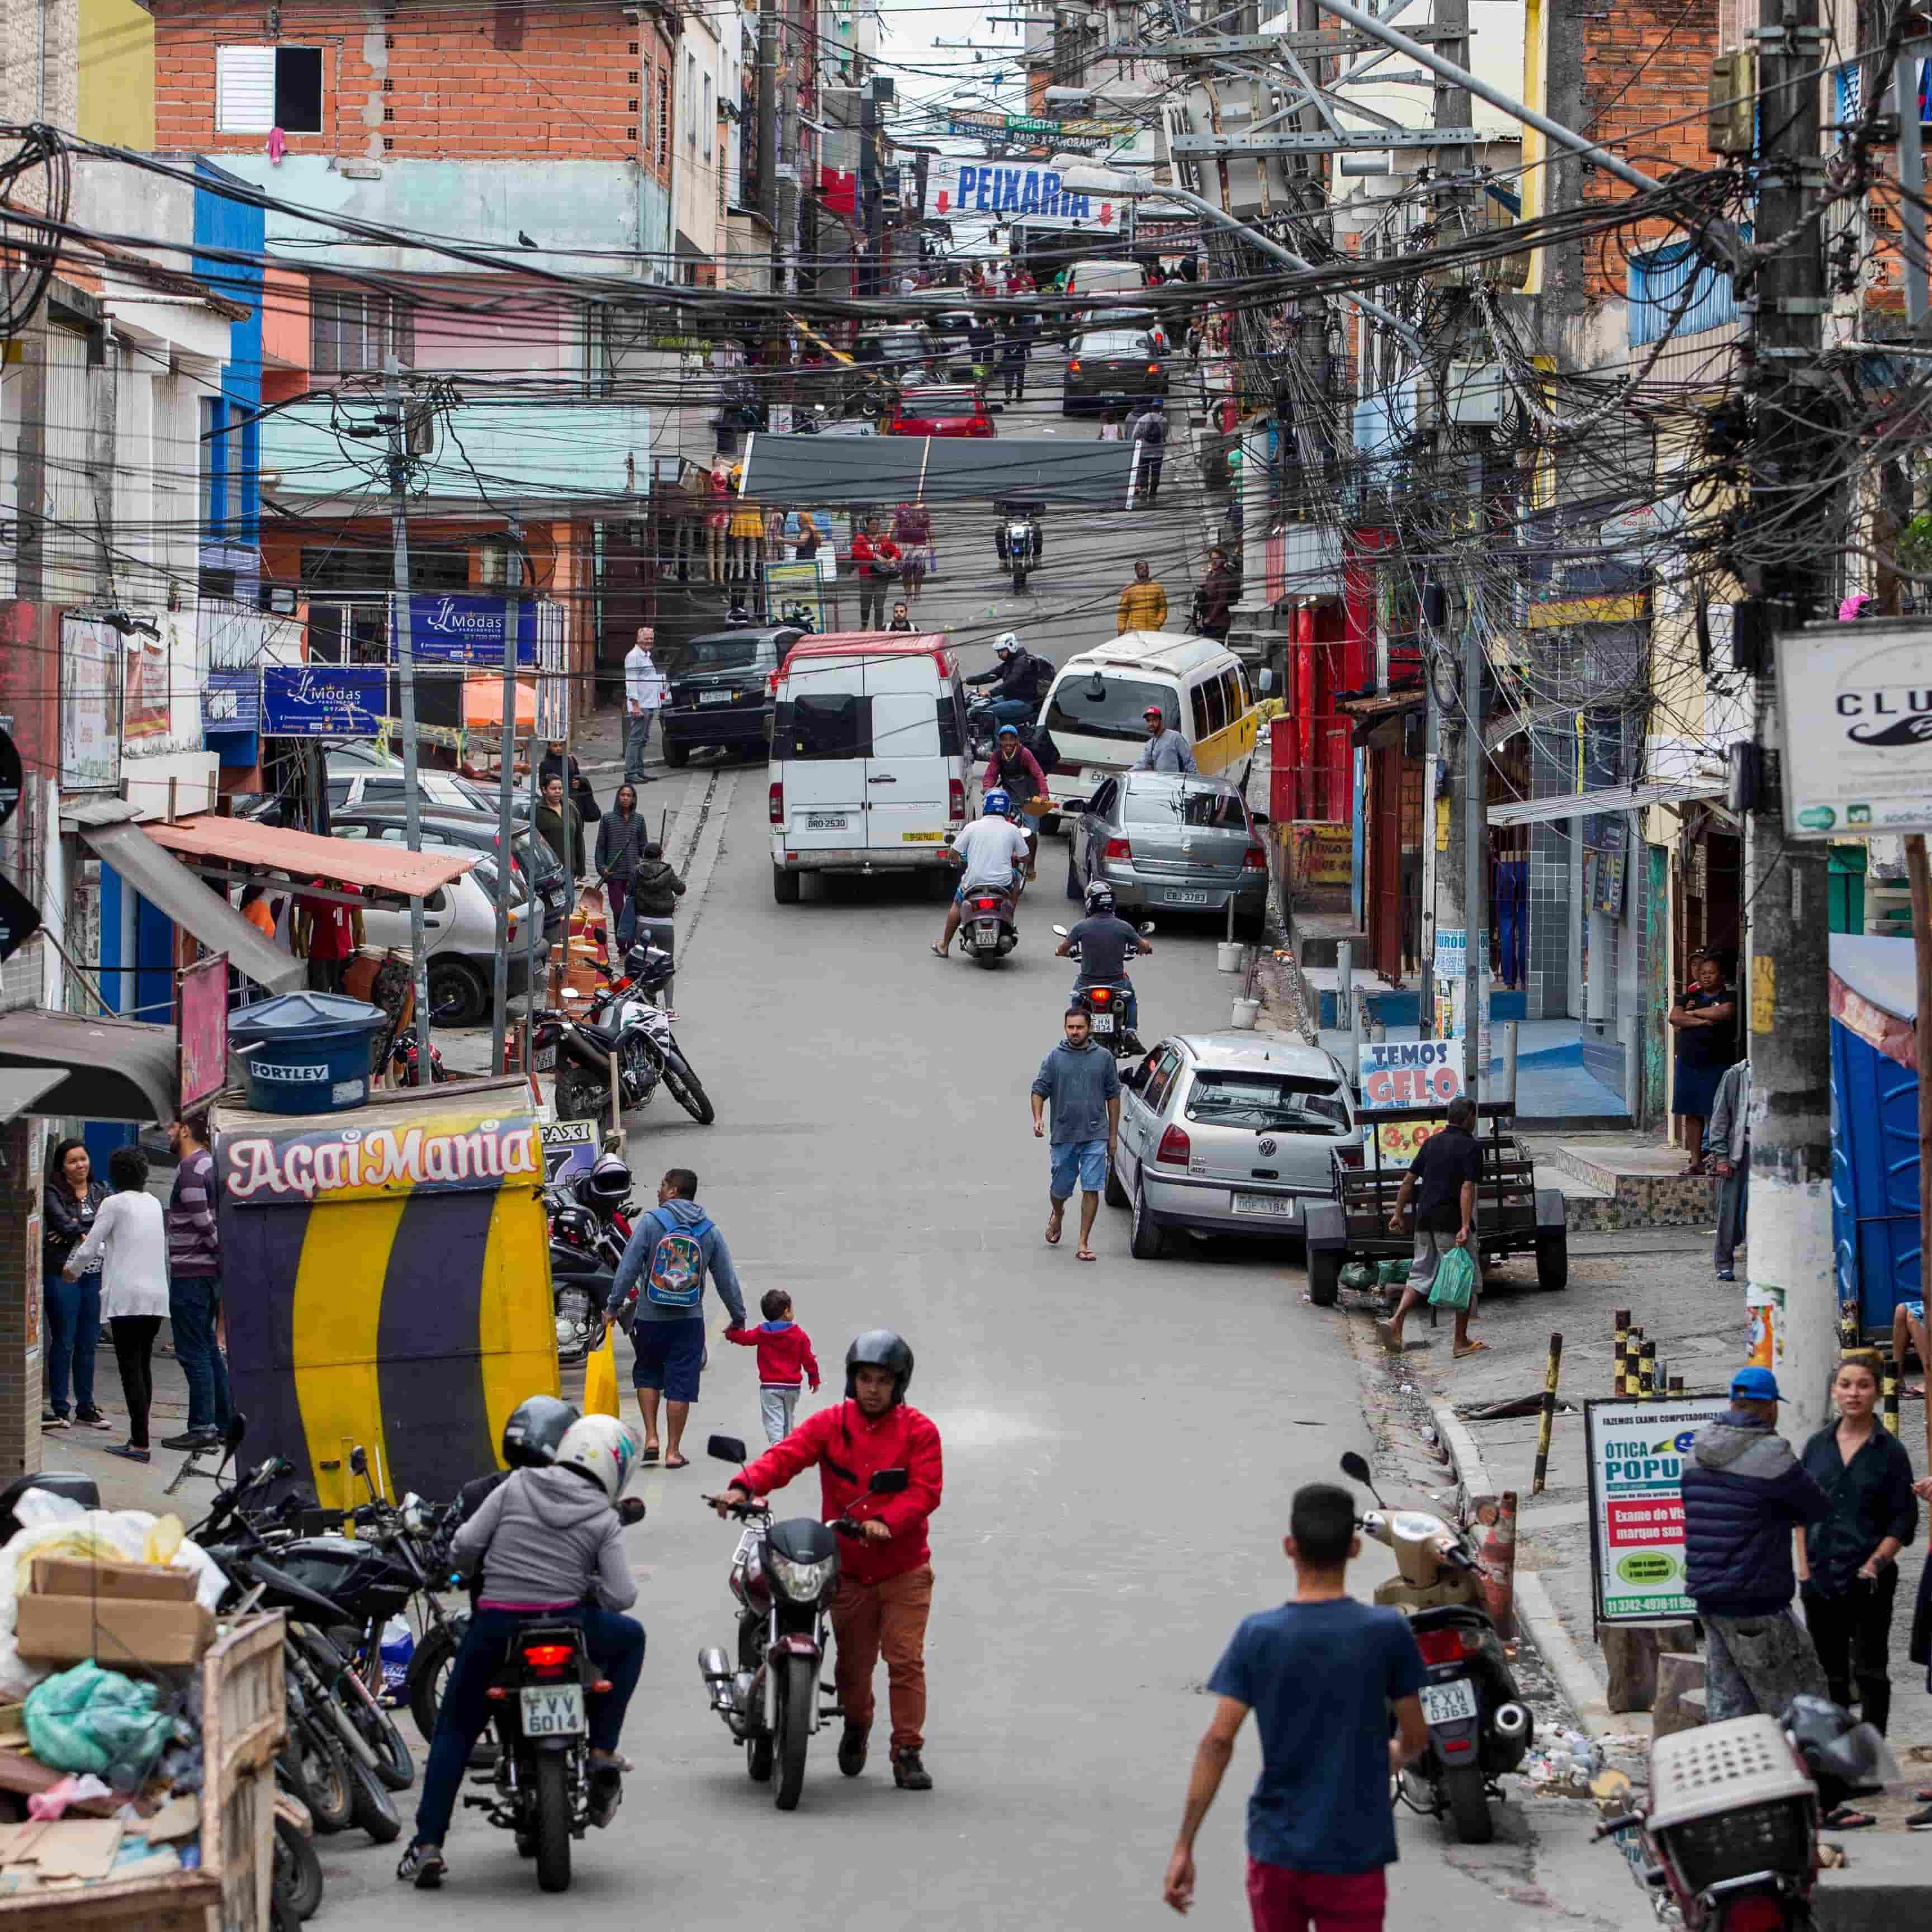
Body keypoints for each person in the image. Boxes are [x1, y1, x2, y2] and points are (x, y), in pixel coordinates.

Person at [396, 1413, 646, 1888]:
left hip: (499, 1628)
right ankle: (602, 1751)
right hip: (570, 1625)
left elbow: (465, 1546)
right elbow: (622, 1596)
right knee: (631, 1637)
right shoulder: (601, 1514)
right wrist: (586, 1581)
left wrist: (476, 1569)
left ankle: (429, 1844)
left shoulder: (516, 1487)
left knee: (454, 1730)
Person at [1163, 1483, 1427, 1926]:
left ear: (1290, 1547)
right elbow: (1416, 1734)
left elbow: (1217, 1741)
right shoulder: (1387, 1633)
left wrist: (1184, 1845)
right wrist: (1393, 1756)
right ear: (1355, 1548)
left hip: (1278, 1850)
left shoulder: (1260, 1635)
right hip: (1355, 1852)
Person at [711, 1330, 943, 1791]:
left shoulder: (920, 1432)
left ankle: (907, 1751)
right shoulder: (830, 1424)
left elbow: (924, 1493)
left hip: (904, 1570)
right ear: (851, 1381)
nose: (873, 1389)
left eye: (883, 1380)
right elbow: (786, 1457)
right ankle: (857, 1727)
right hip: (848, 1572)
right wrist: (743, 1485)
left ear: (899, 1385)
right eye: (865, 1379)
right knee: (853, 1669)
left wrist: (887, 1523)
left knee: (904, 1660)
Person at [1681, 1365, 1831, 1723]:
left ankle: (1732, 1774)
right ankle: (1799, 1773)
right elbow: (1816, 1507)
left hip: (1709, 1598)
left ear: (1733, 1402)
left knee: (1729, 1704)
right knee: (1793, 1704)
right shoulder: (1771, 1453)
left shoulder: (1696, 1450)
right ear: (1769, 1407)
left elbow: (1716, 1510)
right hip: (1755, 1600)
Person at [1798, 1354, 1917, 1754]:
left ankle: (1872, 1758)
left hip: (1870, 1582)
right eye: (1846, 1384)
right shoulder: (1817, 1447)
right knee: (1829, 1676)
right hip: (1821, 1578)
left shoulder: (1890, 1453)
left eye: (1863, 1385)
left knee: (1871, 1673)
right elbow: (1800, 1511)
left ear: (1877, 1392)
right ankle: (1836, 1758)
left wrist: (1872, 1566)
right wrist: (1804, 1573)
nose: (1854, 1393)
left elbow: (1903, 1522)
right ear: (1835, 1391)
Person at [606, 1168, 747, 1470]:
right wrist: (738, 1317)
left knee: (647, 1374)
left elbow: (628, 1268)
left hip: (650, 1316)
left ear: (673, 1192)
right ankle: (673, 1452)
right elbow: (727, 1280)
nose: (658, 1191)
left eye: (662, 1185)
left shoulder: (650, 1223)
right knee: (680, 1383)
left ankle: (652, 1438)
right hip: (689, 1319)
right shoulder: (709, 1231)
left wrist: (613, 1306)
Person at [63, 1145, 169, 1465]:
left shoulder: (113, 1203)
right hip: (155, 1298)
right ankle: (141, 1436)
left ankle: (140, 1444)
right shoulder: (152, 1203)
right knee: (143, 1367)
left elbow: (91, 1246)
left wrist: (71, 1271)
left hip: (128, 1299)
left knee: (130, 1370)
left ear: (115, 1175)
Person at [1377, 1094, 1485, 1359]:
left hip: (1424, 1222)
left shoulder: (1431, 1143)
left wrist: (1398, 1214)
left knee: (1420, 1274)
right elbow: (1467, 1187)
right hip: (1451, 1224)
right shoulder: (1471, 1148)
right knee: (1465, 1278)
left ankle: (1396, 1322)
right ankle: (1460, 1342)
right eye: (1475, 1116)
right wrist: (1464, 1226)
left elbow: (1408, 1181)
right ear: (1470, 1116)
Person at [1030, 1006, 1122, 1264]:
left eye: (1080, 1027)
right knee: (1060, 1189)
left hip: (1095, 1134)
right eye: (1071, 1027)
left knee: (1092, 1188)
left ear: (1090, 1029)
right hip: (1064, 1135)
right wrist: (1038, 1119)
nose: (1075, 1032)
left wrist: (1112, 1136)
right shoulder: (1054, 1058)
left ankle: (1083, 1242)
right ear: (1065, 1029)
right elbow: (1039, 1090)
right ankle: (1057, 1213)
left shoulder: (1104, 1058)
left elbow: (1113, 1096)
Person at [161, 1109, 230, 1451]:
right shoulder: (211, 1163)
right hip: (208, 1274)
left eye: (172, 1126)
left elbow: (204, 1223)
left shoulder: (190, 1169)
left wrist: (222, 1254)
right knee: (207, 1347)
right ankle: (222, 1422)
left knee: (193, 1352)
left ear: (186, 1130)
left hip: (192, 1272)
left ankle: (203, 1427)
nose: (167, 1131)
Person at [41, 1140, 108, 1432]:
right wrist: (80, 1230)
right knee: (64, 1341)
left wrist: (74, 1229)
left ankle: (86, 1406)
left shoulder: (101, 1191)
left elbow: (110, 1225)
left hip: (94, 1277)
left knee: (88, 1343)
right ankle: (59, 1407)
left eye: (83, 1159)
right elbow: (61, 1222)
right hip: (63, 1275)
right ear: (62, 1167)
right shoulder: (52, 1193)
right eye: (72, 1161)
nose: (80, 1165)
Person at [932, 792, 1031, 958]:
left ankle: (944, 945)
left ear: (986, 806)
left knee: (957, 904)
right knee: (1017, 879)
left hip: (973, 882)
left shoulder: (972, 827)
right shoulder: (1013, 829)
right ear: (1006, 808)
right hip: (1003, 883)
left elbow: (954, 852)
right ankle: (1009, 916)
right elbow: (1025, 857)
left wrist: (955, 861)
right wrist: (1016, 855)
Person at [1058, 882, 1152, 1050]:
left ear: (1090, 903)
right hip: (1117, 983)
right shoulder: (1124, 927)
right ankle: (1130, 1032)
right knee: (1130, 999)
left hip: (1087, 983)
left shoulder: (1081, 926)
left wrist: (1062, 952)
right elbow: (1143, 945)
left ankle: (1073, 1030)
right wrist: (1145, 949)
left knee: (1077, 998)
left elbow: (1063, 948)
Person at [724, 1288, 821, 1446]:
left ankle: (777, 1445)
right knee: (788, 1417)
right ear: (786, 1312)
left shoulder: (762, 1331)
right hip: (792, 1386)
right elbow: (809, 1359)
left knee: (773, 1418)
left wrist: (731, 1333)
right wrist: (814, 1379)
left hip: (770, 1387)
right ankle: (787, 1445)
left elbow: (746, 1338)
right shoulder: (799, 1334)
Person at [1669, 954, 1736, 1174]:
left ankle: (1719, 1161)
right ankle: (1695, 1161)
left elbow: (1725, 1012)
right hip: (1689, 1062)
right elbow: (1675, 1018)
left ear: (1721, 975)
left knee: (1718, 1112)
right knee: (1691, 1113)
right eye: (1703, 973)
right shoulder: (1689, 996)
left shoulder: (1729, 995)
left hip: (1717, 1062)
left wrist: (1693, 1015)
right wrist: (1704, 1022)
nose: (1707, 976)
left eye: (1712, 972)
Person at [984, 724, 1047, 879]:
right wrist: (987, 789)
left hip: (1030, 798)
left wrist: (1044, 794)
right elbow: (991, 774)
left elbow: (1039, 773)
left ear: (1017, 740)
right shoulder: (998, 756)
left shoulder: (1025, 753)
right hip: (1010, 798)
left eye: (1011, 739)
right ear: (1000, 742)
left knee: (1032, 832)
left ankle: (1031, 864)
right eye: (1004, 740)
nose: (1008, 743)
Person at [1707, 1057, 1750, 1281]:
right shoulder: (1736, 1075)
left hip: (1769, 1154)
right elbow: (1720, 1117)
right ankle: (1724, 1263)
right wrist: (1721, 1156)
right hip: (1739, 1152)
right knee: (1730, 1210)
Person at [627, 840, 686, 993]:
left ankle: (644, 999)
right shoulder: (668, 871)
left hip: (643, 922)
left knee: (642, 963)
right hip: (665, 923)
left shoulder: (637, 871)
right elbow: (680, 890)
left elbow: (629, 892)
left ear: (644, 856)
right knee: (667, 966)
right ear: (661, 856)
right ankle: (669, 1008)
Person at [596, 783, 650, 946]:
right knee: (618, 912)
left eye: (629, 795)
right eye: (622, 795)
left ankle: (633, 945)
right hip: (614, 876)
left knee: (633, 911)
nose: (625, 798)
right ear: (618, 798)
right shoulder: (607, 819)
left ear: (633, 799)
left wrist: (645, 862)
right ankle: (621, 948)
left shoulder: (639, 820)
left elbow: (643, 847)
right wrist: (602, 867)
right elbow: (601, 847)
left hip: (634, 876)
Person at [965, 634, 1050, 728]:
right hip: (1010, 698)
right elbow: (991, 675)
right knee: (983, 703)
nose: (1000, 654)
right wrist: (968, 681)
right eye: (998, 651)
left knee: (989, 713)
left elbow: (1011, 682)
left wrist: (990, 692)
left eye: (1002, 650)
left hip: (1024, 702)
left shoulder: (1022, 662)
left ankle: (997, 741)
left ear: (1011, 647)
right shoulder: (1010, 663)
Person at [294, 880, 362, 995]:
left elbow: (359, 928)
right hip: (320, 957)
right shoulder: (312, 891)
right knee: (319, 999)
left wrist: (361, 959)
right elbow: (303, 929)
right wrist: (305, 958)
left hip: (345, 957)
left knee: (343, 999)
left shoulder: (353, 892)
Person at [624, 629, 667, 784]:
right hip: (641, 705)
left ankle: (639, 771)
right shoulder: (634, 657)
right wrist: (636, 705)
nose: (649, 641)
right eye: (646, 639)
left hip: (649, 704)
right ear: (638, 639)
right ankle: (631, 773)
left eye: (651, 639)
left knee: (643, 739)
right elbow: (631, 681)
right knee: (636, 740)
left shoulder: (646, 656)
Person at [851, 518, 903, 629]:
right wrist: (875, 556)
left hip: (882, 577)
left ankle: (878, 630)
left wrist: (893, 559)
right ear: (867, 525)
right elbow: (857, 554)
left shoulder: (884, 538)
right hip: (866, 577)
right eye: (873, 524)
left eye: (877, 524)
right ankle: (864, 626)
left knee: (879, 606)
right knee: (866, 604)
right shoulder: (860, 538)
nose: (875, 526)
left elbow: (897, 552)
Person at [534, 773, 585, 882]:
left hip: (569, 869)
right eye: (553, 789)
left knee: (569, 897)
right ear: (544, 790)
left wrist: (581, 868)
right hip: (546, 871)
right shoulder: (536, 811)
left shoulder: (571, 808)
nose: (557, 792)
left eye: (560, 788)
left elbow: (579, 839)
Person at [537, 740, 600, 825]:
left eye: (561, 745)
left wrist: (578, 783)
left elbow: (577, 776)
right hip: (556, 805)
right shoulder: (545, 765)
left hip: (574, 803)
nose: (559, 748)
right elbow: (543, 787)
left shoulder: (571, 760)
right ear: (549, 747)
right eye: (555, 746)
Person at [1135, 703, 1197, 774]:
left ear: (1161, 721)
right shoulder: (1149, 745)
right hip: (1161, 784)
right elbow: (1142, 764)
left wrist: (1197, 781)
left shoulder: (1175, 736)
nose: (1151, 724)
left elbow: (1189, 761)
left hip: (1177, 782)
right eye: (1148, 721)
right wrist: (1127, 773)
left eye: (1154, 720)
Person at [893, 501, 932, 607]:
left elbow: (928, 526)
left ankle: (917, 593)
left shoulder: (923, 508)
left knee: (918, 570)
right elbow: (894, 523)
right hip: (904, 543)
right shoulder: (901, 507)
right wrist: (889, 536)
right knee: (906, 570)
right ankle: (908, 595)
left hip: (920, 543)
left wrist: (933, 543)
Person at [1194, 546, 1237, 642]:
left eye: (1216, 559)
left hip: (1219, 622)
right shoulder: (1210, 576)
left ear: (1223, 560)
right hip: (1208, 620)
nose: (1213, 561)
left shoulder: (1224, 577)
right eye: (1212, 559)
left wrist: (1210, 618)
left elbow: (1222, 600)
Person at [1118, 560, 1168, 634]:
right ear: (1136, 571)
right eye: (1141, 568)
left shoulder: (1157, 587)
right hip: (1135, 632)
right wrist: (1121, 631)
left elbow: (1163, 608)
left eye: (1147, 568)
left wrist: (1159, 622)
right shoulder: (1129, 589)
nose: (1145, 570)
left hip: (1154, 631)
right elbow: (1123, 612)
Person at [1133, 399, 1167, 504]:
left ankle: (1144, 489)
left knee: (1144, 472)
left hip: (1144, 451)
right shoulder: (1164, 420)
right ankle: (1153, 492)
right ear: (1160, 408)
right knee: (1156, 473)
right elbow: (1165, 435)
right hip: (1158, 452)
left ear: (1151, 407)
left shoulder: (1142, 419)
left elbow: (1135, 435)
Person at [999, 326, 1029, 402]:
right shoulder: (1022, 338)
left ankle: (1008, 397)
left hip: (1009, 362)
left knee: (1009, 380)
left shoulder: (1007, 338)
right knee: (1020, 380)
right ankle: (1019, 397)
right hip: (1020, 361)